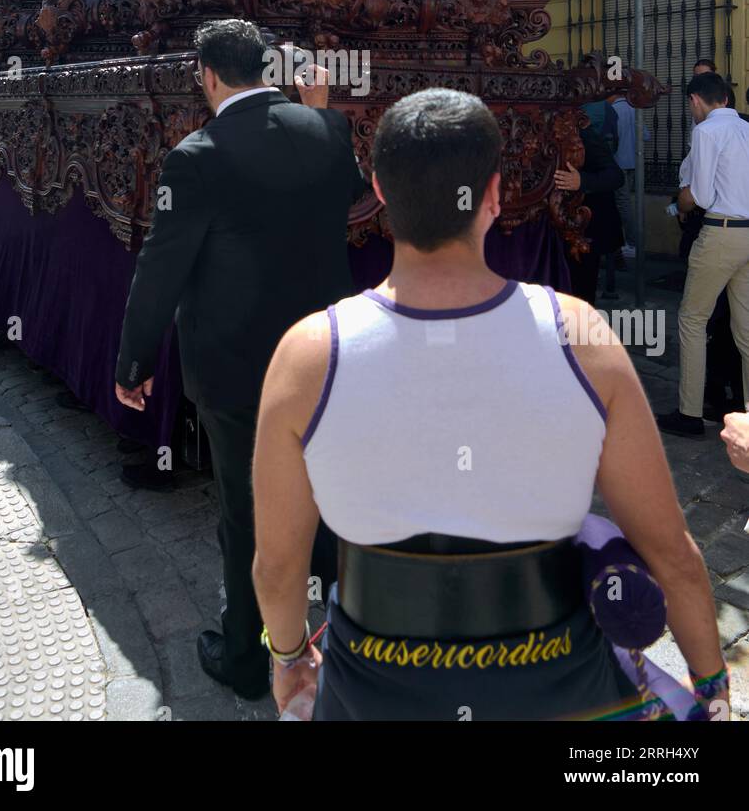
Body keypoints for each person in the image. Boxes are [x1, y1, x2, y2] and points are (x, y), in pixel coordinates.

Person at [252, 89, 725, 721]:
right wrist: (710, 685)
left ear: (380, 192)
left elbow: (278, 566)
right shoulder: (580, 337)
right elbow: (672, 552)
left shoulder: (308, 355)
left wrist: (289, 661)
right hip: (562, 689)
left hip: (373, 692)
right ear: (495, 195)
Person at [114, 18, 366, 699]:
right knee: (328, 499)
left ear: (210, 76)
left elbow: (161, 269)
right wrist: (320, 119)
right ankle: (352, 643)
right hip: (325, 359)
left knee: (247, 514)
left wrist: (133, 362)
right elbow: (355, 199)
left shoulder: (196, 155)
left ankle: (249, 657)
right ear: (266, 68)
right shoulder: (328, 129)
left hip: (238, 368)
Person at [657, 72, 749, 437]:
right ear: (726, 98)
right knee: (746, 330)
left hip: (721, 233)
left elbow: (702, 196)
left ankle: (690, 414)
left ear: (696, 100)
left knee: (693, 321)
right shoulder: (745, 128)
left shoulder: (707, 131)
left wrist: (682, 199)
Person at [554, 121, 624, 306]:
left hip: (587, 229)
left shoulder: (581, 131)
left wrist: (582, 181)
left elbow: (616, 176)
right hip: (557, 230)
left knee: (581, 294)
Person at [607, 94, 639, 257]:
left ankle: (632, 243)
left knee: (623, 204)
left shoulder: (612, 111)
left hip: (619, 164)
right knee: (628, 203)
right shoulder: (634, 109)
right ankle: (630, 243)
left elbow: (611, 139)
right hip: (633, 162)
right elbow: (645, 136)